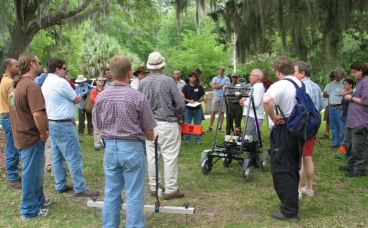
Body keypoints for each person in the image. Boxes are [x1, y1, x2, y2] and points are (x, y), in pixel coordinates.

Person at [93, 55, 157, 228]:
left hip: (110, 148)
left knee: (111, 193)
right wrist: (152, 138)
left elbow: (97, 124)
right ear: (130, 73)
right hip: (132, 147)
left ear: (111, 73)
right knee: (134, 194)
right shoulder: (137, 97)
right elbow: (149, 131)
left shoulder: (101, 97)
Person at [42, 57, 99, 197]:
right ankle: (80, 187)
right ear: (57, 69)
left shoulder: (46, 81)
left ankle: (60, 184)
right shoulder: (61, 82)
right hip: (63, 124)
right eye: (64, 69)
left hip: (52, 122)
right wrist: (72, 88)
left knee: (56, 156)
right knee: (74, 156)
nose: (66, 71)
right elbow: (76, 98)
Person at [138, 52, 186, 200]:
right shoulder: (169, 81)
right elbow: (180, 104)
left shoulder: (142, 83)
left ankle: (155, 186)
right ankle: (171, 188)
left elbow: (139, 105)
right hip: (167, 123)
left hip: (150, 124)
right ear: (162, 66)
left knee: (152, 156)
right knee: (169, 156)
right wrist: (178, 114)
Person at [263, 56, 304, 222]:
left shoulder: (280, 84)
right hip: (297, 131)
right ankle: (291, 204)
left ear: (278, 71)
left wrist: (272, 116)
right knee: (292, 167)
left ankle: (289, 211)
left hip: (284, 130)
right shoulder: (299, 83)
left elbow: (266, 100)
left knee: (282, 169)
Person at [9, 53, 50, 218]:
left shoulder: (17, 85)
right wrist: (43, 133)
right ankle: (29, 209)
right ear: (32, 64)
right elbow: (38, 114)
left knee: (35, 171)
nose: (40, 65)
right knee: (31, 173)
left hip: (20, 134)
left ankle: (38, 199)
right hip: (31, 137)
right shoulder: (31, 86)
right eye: (39, 62)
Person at [294, 61, 324, 199]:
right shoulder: (317, 87)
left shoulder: (301, 86)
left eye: (295, 71)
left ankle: (298, 189)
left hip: (302, 127)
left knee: (299, 157)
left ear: (302, 73)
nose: (293, 74)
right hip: (313, 126)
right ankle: (309, 188)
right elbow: (321, 106)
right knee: (308, 157)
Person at [339, 61, 368, 177]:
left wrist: (350, 98)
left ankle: (360, 169)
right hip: (351, 119)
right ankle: (350, 165)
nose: (353, 74)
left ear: (361, 71)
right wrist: (348, 94)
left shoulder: (366, 82)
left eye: (355, 72)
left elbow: (365, 100)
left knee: (358, 145)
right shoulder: (359, 82)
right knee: (348, 143)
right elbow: (357, 96)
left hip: (360, 120)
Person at [1, 58, 21, 189]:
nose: (18, 68)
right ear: (8, 67)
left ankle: (13, 176)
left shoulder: (5, 80)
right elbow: (13, 102)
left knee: (13, 146)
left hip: (6, 115)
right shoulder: (9, 82)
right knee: (12, 148)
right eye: (16, 66)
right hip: (10, 115)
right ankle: (12, 178)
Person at [240, 69, 265, 140]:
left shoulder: (258, 87)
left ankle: (252, 151)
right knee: (249, 138)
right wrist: (246, 99)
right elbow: (253, 100)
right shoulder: (256, 86)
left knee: (250, 139)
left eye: (251, 75)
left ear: (257, 77)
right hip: (252, 116)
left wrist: (244, 102)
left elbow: (255, 103)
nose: (249, 77)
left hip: (253, 117)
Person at [182, 72, 205, 145]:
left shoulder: (199, 87)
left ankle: (197, 140)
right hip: (188, 108)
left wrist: (199, 100)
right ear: (189, 78)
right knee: (188, 124)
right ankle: (187, 140)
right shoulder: (185, 87)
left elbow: (202, 96)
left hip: (197, 108)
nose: (193, 78)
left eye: (194, 77)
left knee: (197, 124)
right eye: (191, 77)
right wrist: (188, 100)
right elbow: (182, 97)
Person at [207, 66, 230, 132]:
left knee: (222, 112)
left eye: (222, 70)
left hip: (223, 96)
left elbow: (227, 87)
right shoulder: (215, 78)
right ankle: (210, 126)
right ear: (218, 71)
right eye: (220, 70)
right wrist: (222, 85)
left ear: (224, 71)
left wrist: (218, 85)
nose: (221, 71)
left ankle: (220, 127)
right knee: (213, 111)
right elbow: (214, 86)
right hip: (216, 96)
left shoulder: (227, 78)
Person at [326, 68, 345, 147]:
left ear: (342, 75)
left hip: (339, 107)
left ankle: (342, 143)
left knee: (341, 126)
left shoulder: (344, 83)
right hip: (332, 107)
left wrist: (343, 105)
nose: (336, 76)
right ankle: (335, 142)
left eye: (338, 74)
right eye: (335, 75)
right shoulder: (332, 84)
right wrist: (329, 102)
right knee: (333, 126)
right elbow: (328, 94)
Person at [90, 76, 105, 151]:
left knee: (105, 127)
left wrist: (98, 98)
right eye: (99, 80)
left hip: (105, 110)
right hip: (96, 110)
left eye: (102, 80)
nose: (101, 81)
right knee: (96, 127)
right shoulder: (93, 90)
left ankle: (105, 142)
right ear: (96, 81)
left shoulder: (106, 90)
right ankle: (97, 144)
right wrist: (102, 98)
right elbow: (92, 100)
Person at [320, 72, 336, 139]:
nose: (332, 79)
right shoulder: (328, 85)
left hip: (337, 104)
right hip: (328, 104)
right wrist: (331, 95)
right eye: (331, 78)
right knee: (328, 119)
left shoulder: (341, 85)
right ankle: (327, 133)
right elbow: (324, 94)